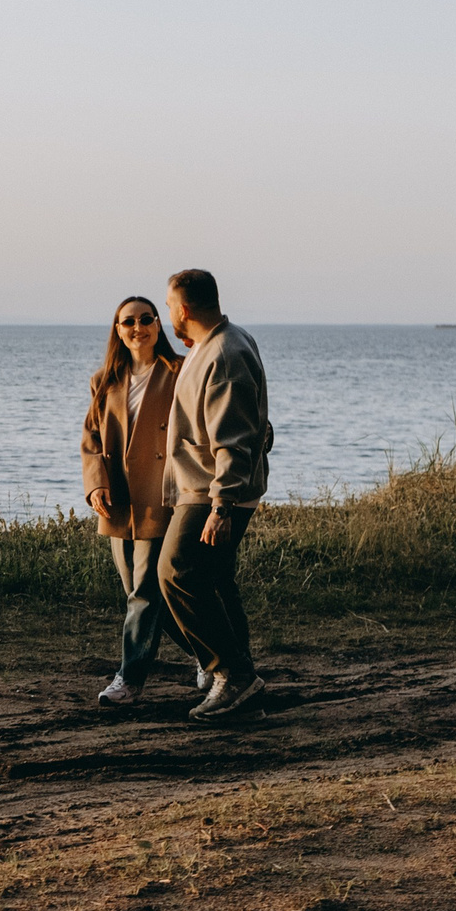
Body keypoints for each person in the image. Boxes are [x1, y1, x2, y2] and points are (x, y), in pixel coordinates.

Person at [157, 268, 273, 722]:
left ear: (183, 309)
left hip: (213, 492)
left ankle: (231, 674)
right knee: (214, 583)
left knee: (174, 574)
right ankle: (232, 674)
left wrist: (221, 506)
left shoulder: (224, 352)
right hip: (205, 488)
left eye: (168, 306)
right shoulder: (215, 345)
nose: (167, 314)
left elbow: (233, 436)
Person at [80, 295, 192, 706]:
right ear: (118, 329)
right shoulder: (104, 379)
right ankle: (211, 655)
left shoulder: (180, 371)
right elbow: (91, 439)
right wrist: (95, 485)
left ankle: (128, 680)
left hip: (162, 496)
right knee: (142, 594)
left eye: (147, 319)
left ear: (159, 325)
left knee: (144, 592)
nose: (138, 327)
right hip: (119, 499)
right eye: (128, 321)